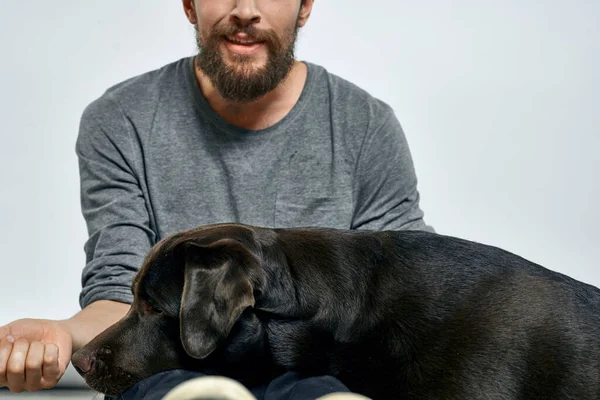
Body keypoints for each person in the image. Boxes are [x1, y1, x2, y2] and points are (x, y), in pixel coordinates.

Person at [0, 0, 433, 398]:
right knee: (169, 385)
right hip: (170, 374)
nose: (245, 10)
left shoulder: (366, 125)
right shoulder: (120, 119)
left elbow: (408, 287)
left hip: (313, 370)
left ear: (304, 7)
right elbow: (118, 291)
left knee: (319, 383)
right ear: (190, 4)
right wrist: (61, 332)